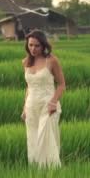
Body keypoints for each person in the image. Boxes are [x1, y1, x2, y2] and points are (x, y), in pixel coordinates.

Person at [20, 30, 66, 168]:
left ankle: (52, 170)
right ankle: (38, 172)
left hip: (48, 105)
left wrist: (53, 102)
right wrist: (24, 108)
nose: (33, 49)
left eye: (37, 46)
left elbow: (62, 85)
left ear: (44, 45)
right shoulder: (25, 62)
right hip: (31, 106)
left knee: (45, 139)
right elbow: (29, 87)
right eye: (31, 45)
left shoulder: (51, 61)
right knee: (33, 138)